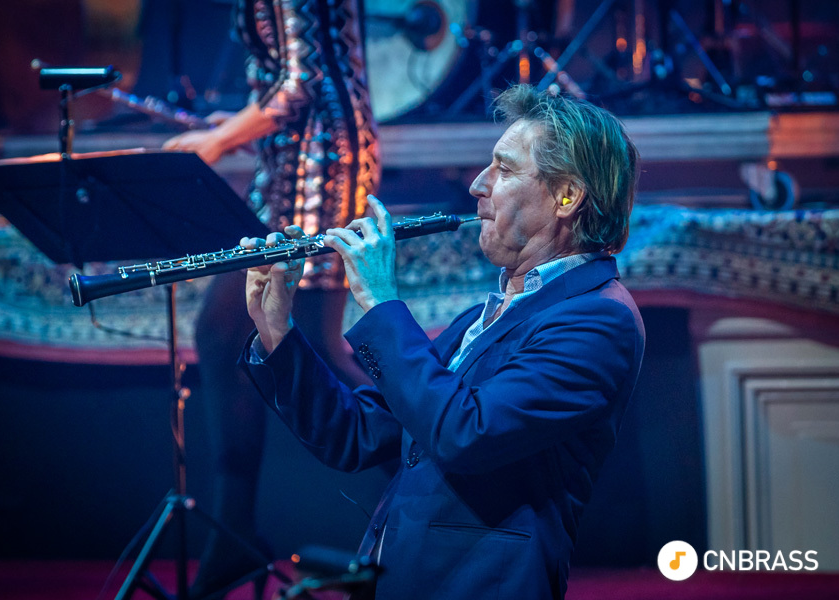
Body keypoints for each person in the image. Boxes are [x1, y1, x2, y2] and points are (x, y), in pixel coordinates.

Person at [239, 84, 645, 599]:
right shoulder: (487, 315)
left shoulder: (598, 319)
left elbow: (465, 434)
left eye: (504, 170)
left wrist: (380, 301)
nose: (477, 184)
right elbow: (356, 433)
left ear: (566, 196)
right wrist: (277, 329)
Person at [162, 0, 380, 597]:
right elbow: (293, 74)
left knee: (277, 339)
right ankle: (234, 534)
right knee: (235, 335)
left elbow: (301, 82)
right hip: (295, 155)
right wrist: (235, 124)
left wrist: (219, 139)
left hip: (320, 161)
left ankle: (438, 469)